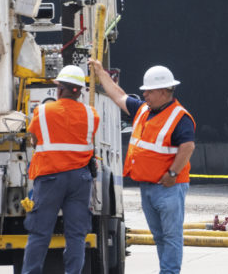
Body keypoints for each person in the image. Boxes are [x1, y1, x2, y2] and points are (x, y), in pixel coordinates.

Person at [89, 60, 195, 274]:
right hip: (148, 188)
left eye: (149, 91)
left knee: (171, 236)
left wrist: (173, 173)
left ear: (165, 92)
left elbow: (188, 146)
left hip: (169, 188)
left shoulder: (179, 117)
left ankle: (169, 272)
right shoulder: (143, 110)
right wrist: (101, 73)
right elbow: (118, 96)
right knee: (160, 236)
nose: (144, 95)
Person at [22, 65, 100, 274]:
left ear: (59, 89)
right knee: (76, 234)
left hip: (50, 178)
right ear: (79, 91)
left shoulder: (43, 111)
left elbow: (35, 139)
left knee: (40, 232)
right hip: (80, 179)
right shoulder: (92, 114)